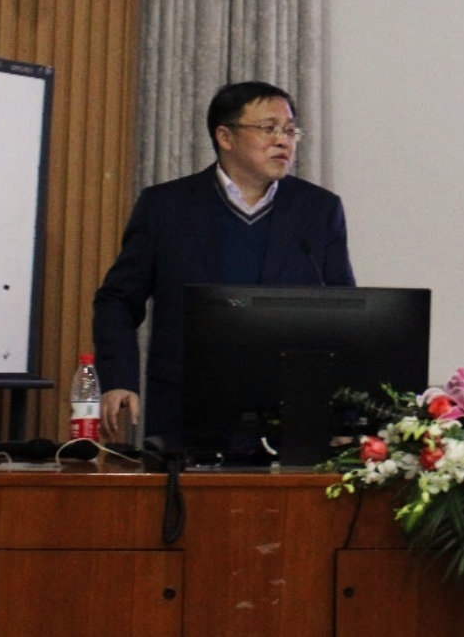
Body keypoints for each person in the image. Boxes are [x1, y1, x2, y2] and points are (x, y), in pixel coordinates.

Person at [91, 80, 353, 441]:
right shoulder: (166, 207)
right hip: (187, 413)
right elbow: (117, 299)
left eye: (290, 130)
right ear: (225, 137)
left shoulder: (318, 210)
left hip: (291, 414)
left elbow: (344, 311)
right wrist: (119, 378)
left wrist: (345, 414)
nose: (283, 140)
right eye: (269, 128)